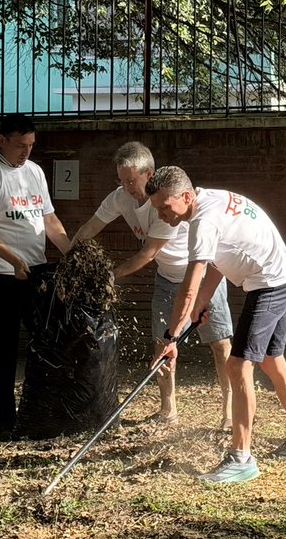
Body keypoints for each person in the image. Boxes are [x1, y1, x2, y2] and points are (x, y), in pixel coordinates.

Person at [147, 166, 286, 484]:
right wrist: (203, 303)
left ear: (186, 197)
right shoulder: (208, 201)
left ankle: (241, 458)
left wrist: (171, 337)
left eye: (165, 207)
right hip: (283, 275)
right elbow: (220, 260)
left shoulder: (203, 221)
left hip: (270, 283)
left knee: (238, 366)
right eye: (156, 209)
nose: (160, 215)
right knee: (270, 360)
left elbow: (188, 286)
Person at [71, 142, 235, 429]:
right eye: (121, 181)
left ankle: (229, 413)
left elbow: (148, 253)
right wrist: (72, 252)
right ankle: (168, 411)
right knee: (161, 343)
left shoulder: (163, 205)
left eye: (131, 181)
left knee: (220, 344)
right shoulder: (120, 197)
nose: (126, 187)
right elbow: (91, 227)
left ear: (150, 174)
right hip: (167, 279)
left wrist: (108, 276)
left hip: (202, 275)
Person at [0, 114, 70, 434]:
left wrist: (72, 252)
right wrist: (12, 259)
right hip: (2, 273)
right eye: (20, 145)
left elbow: (50, 220)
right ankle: (3, 417)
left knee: (48, 339)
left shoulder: (35, 172)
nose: (26, 151)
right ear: (2, 141)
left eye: (31, 145)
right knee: (5, 344)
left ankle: (43, 407)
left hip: (36, 269)